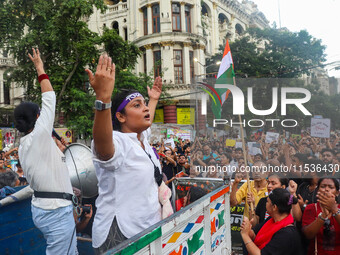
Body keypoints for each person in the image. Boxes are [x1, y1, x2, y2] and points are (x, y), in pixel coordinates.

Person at [87, 54, 172, 253]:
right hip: (120, 233)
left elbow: (147, 118)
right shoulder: (117, 142)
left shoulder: (141, 138)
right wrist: (103, 99)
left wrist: (153, 99)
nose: (145, 109)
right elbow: (103, 148)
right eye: (137, 105)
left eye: (144, 104)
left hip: (147, 228)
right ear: (120, 117)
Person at [14, 49, 77, 254]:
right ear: (37, 118)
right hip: (56, 211)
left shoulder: (26, 143)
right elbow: (49, 97)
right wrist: (39, 67)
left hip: (45, 207)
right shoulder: (39, 134)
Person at [240, 188, 303, 255]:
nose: (265, 204)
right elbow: (258, 237)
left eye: (267, 201)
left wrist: (245, 235)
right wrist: (248, 231)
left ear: (274, 207)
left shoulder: (286, 234)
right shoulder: (271, 220)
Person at [302, 178, 340, 255]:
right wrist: (322, 217)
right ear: (318, 190)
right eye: (323, 186)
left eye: (331, 187)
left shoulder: (338, 209)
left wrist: (334, 209)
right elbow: (308, 234)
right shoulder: (311, 208)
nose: (326, 189)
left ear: (337, 193)